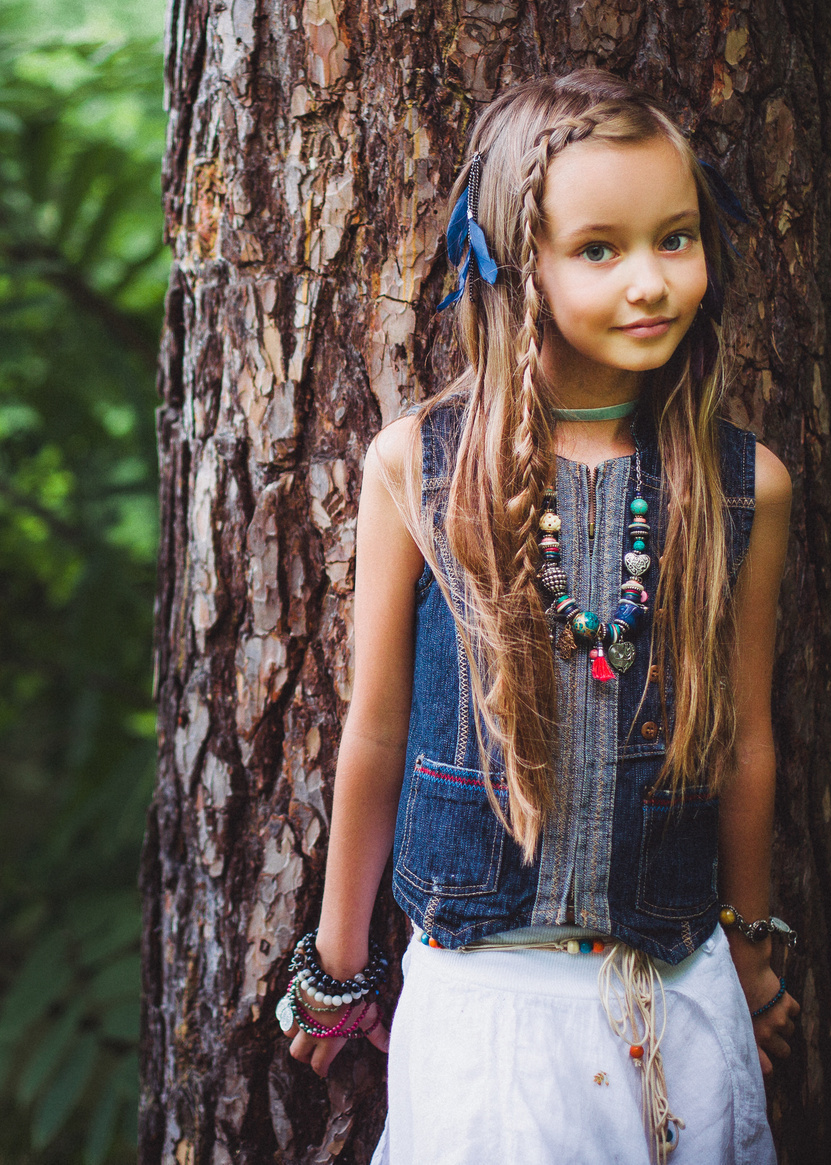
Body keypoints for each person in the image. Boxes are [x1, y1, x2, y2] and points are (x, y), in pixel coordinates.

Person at [277, 69, 799, 1164]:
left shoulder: (740, 484)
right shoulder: (417, 469)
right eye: (599, 249)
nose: (651, 280)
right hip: (485, 1019)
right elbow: (374, 734)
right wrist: (336, 961)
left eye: (676, 238)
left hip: (677, 1001)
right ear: (518, 265)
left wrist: (750, 957)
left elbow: (748, 743)